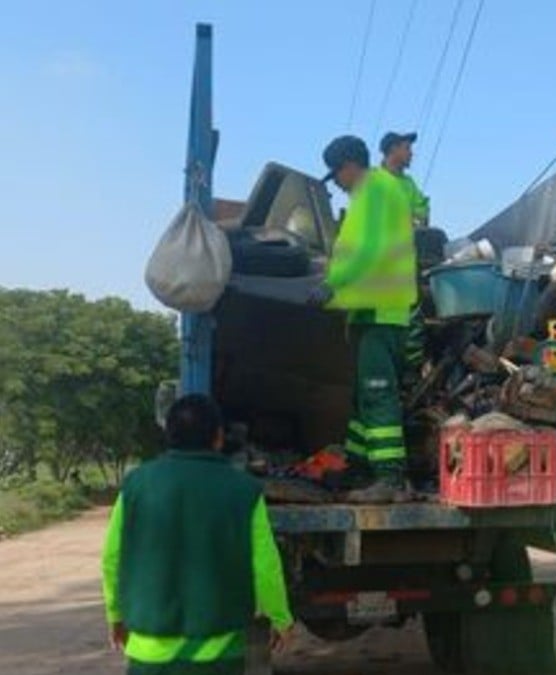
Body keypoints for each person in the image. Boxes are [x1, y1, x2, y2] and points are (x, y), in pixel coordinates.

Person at [101, 394, 294, 675]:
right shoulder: (243, 490)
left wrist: (115, 614)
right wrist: (280, 617)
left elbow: (112, 557)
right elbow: (264, 565)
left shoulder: (136, 486)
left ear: (168, 434)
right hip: (219, 653)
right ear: (218, 437)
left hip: (149, 654)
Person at [310, 135, 417, 503]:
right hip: (377, 310)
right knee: (362, 399)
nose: (338, 184)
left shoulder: (372, 191)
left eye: (336, 174)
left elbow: (367, 250)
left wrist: (331, 284)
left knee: (377, 393)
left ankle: (390, 478)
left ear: (349, 166)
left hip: (378, 311)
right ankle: (358, 466)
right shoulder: (381, 190)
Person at [379, 131, 430, 228]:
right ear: (394, 149)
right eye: (407, 148)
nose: (411, 153)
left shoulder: (409, 183)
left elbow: (423, 213)